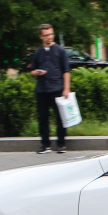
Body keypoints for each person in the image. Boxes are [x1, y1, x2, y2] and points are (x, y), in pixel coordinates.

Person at [27, 23, 71, 154]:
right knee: (43, 117)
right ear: (41, 37)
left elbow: (66, 70)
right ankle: (45, 144)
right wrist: (36, 72)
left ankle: (61, 144)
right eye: (46, 35)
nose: (49, 37)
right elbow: (32, 70)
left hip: (57, 88)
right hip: (41, 89)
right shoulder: (38, 52)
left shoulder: (60, 50)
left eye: (51, 34)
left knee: (60, 118)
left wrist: (66, 88)